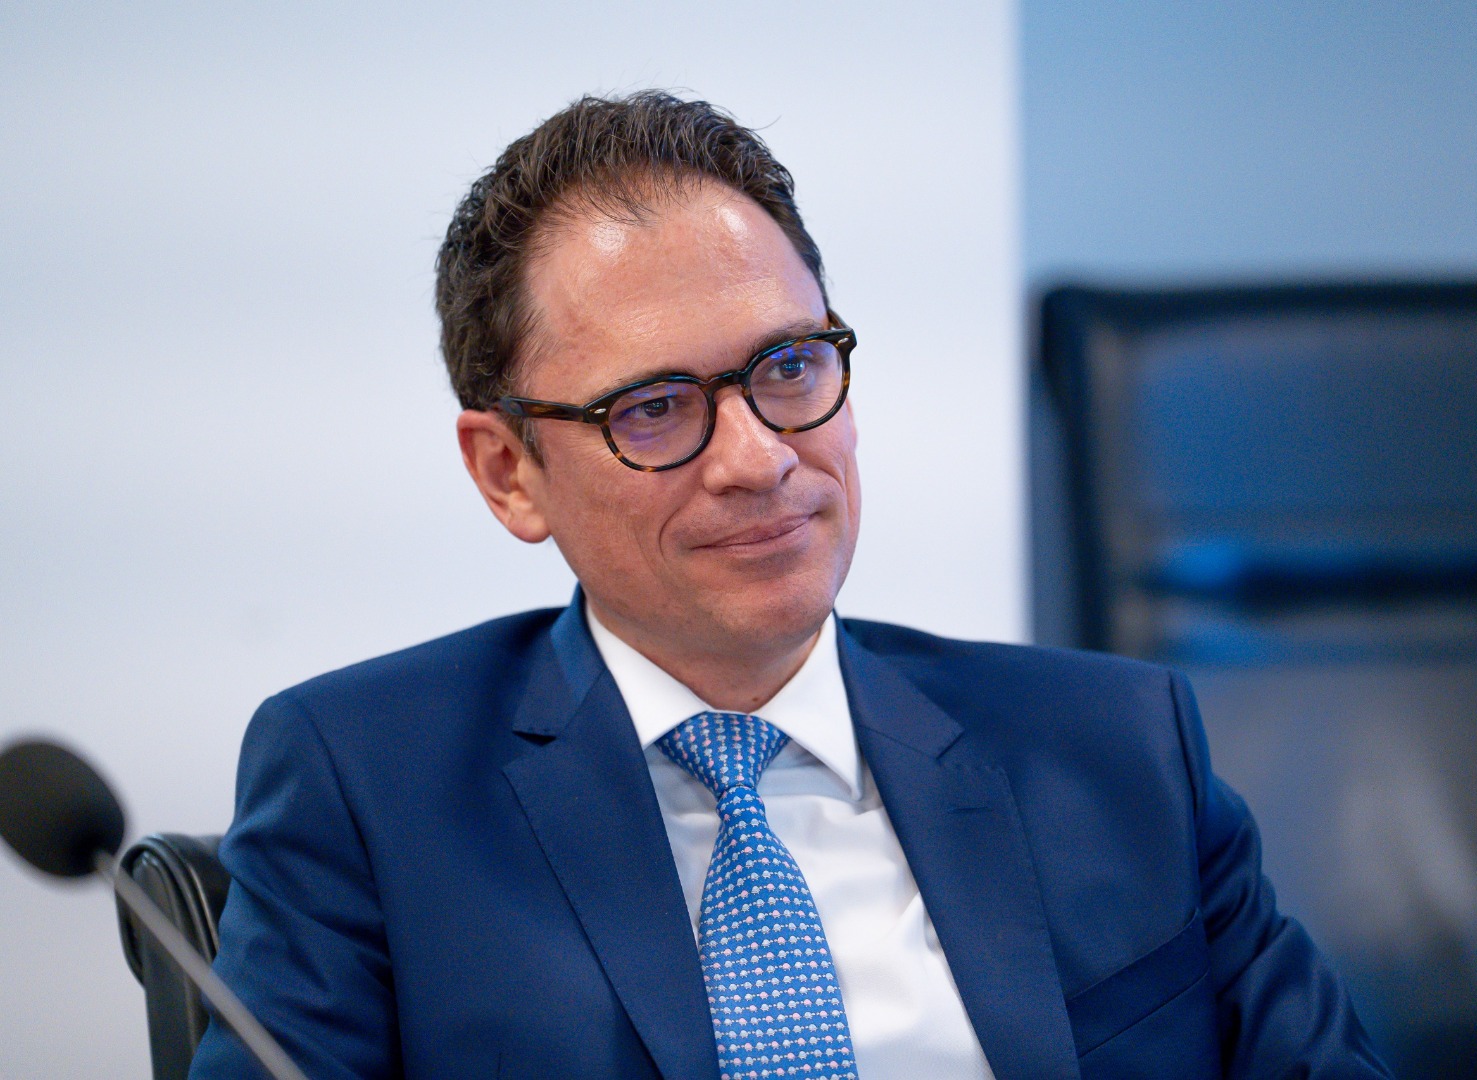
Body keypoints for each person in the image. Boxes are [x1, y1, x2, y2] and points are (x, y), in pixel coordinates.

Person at [190, 92, 1390, 1079]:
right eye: (654, 408)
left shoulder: (1119, 749)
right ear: (510, 472)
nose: (759, 458)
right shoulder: (369, 787)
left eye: (789, 366)